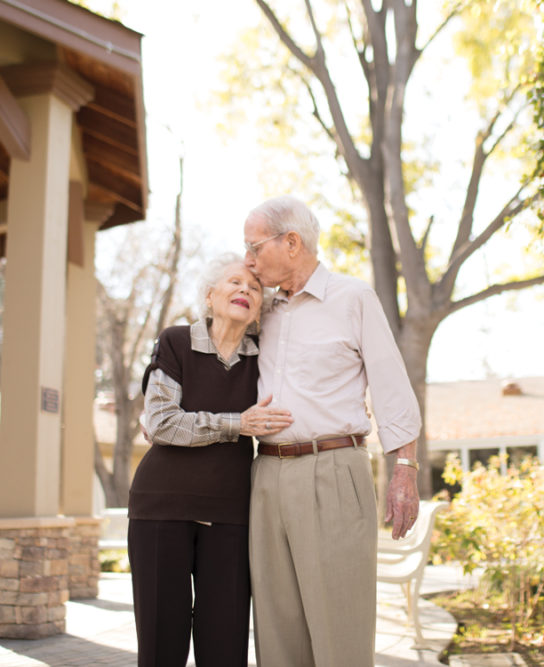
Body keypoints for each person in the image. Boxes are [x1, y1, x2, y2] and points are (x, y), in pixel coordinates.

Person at [243, 195, 423, 667]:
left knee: (340, 632)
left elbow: (391, 387)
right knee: (276, 634)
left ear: (292, 243)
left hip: (334, 471)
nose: (248, 260)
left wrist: (405, 468)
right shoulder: (261, 309)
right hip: (266, 475)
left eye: (254, 247)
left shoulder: (353, 298)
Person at [128, 254, 294, 667]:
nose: (245, 290)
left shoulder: (264, 360)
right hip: (160, 509)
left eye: (254, 288)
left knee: (226, 646)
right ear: (209, 295)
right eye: (234, 282)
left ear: (259, 308)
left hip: (231, 514)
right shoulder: (175, 342)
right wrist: (238, 423)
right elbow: (162, 423)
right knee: (161, 646)